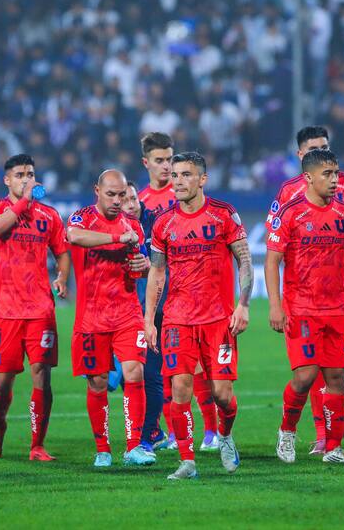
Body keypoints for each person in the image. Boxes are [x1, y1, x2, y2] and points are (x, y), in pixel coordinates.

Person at [266, 126, 344, 455]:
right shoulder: (289, 205)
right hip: (302, 304)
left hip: (339, 303)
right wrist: (275, 306)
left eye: (335, 171)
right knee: (306, 375)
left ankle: (337, 441)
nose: (335, 179)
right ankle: (291, 430)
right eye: (327, 173)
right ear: (306, 170)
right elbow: (272, 255)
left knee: (342, 373)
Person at [144, 151, 253, 480]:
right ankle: (187, 460)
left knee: (222, 394)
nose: (177, 181)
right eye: (174, 175)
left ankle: (226, 436)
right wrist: (150, 319)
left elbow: (245, 262)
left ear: (202, 179)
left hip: (218, 320)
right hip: (177, 319)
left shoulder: (223, 215)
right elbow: (156, 273)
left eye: (186, 175)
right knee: (180, 390)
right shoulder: (164, 222)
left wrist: (243, 304)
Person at [0, 154, 70, 461]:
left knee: (41, 374)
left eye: (30, 173)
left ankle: (37, 445)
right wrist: (23, 204)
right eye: (20, 175)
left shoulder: (49, 216)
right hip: (4, 309)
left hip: (40, 310)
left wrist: (62, 277)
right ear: (7, 180)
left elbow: (62, 251)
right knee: (3, 382)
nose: (26, 179)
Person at [67, 169, 154, 468]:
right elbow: (74, 237)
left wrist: (143, 265)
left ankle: (133, 447)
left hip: (127, 312)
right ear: (97, 191)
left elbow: (140, 266)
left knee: (134, 373)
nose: (118, 201)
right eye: (111, 195)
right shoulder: (81, 218)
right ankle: (103, 449)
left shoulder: (135, 227)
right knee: (98, 383)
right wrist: (117, 236)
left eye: (122, 195)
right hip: (92, 316)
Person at [137, 132, 218, 452]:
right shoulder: (138, 203)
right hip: (155, 291)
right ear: (146, 163)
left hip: (189, 293)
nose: (167, 167)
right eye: (159, 161)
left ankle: (212, 431)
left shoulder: (184, 195)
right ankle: (173, 433)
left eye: (170, 159)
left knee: (197, 367)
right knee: (166, 369)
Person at [121, 181, 168, 453]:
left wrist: (150, 264)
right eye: (123, 198)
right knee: (116, 378)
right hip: (122, 314)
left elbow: (165, 267)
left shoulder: (158, 224)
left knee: (149, 374)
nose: (129, 203)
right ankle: (153, 429)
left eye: (132, 198)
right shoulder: (113, 228)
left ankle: (148, 436)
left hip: (154, 312)